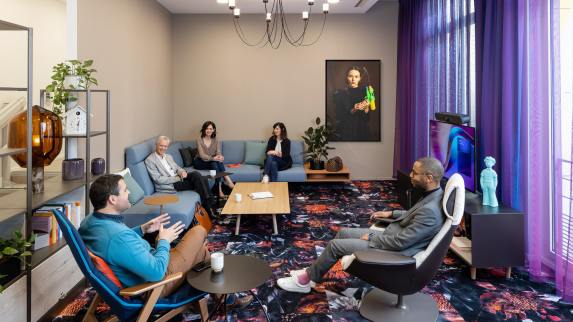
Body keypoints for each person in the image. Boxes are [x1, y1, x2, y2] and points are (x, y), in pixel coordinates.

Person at [277, 157, 445, 293]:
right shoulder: (433, 196)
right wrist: (391, 213)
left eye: (415, 173)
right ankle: (316, 271)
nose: (410, 175)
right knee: (343, 233)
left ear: (429, 177)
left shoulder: (430, 211)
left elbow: (401, 243)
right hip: (392, 236)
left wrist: (372, 237)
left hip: (395, 250)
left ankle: (307, 280)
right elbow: (413, 215)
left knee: (335, 246)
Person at [79, 174, 253, 306]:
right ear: (112, 199)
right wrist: (164, 240)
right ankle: (223, 297)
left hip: (145, 264)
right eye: (125, 190)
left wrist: (142, 229)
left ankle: (223, 297)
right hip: (154, 285)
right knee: (199, 231)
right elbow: (156, 272)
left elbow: (118, 244)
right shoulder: (117, 237)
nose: (129, 192)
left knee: (201, 253)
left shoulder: (91, 222)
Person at [145, 135, 216, 217]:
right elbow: (158, 179)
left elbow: (177, 168)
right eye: (161, 145)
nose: (163, 148)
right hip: (171, 184)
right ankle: (209, 206)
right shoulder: (150, 160)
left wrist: (182, 172)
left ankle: (208, 205)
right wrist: (176, 178)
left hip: (179, 178)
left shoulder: (168, 156)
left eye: (165, 146)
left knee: (197, 175)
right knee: (202, 180)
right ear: (156, 144)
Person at [332, 66, 376, 141]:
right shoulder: (340, 93)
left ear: (360, 78)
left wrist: (366, 107)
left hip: (362, 132)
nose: (353, 79)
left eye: (356, 77)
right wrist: (354, 109)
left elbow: (367, 118)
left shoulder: (366, 92)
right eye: (350, 76)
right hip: (346, 132)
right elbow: (338, 116)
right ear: (346, 77)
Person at [194, 121, 235, 198]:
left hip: (211, 161)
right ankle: (228, 180)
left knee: (215, 164)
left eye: (210, 129)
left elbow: (218, 152)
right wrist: (214, 158)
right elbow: (202, 156)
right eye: (207, 128)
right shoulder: (199, 140)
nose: (208, 130)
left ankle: (219, 188)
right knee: (214, 162)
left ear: (213, 130)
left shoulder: (216, 140)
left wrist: (220, 156)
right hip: (199, 162)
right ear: (203, 130)